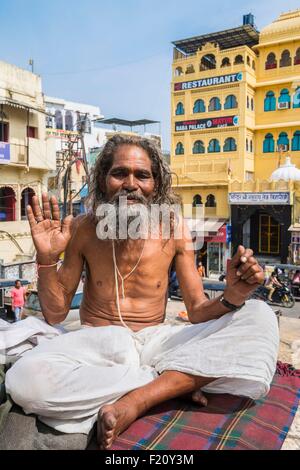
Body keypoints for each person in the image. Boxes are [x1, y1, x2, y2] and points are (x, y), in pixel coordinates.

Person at [5, 135, 279, 450]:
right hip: (96, 342)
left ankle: (137, 400)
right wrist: (47, 258)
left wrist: (232, 295)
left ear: (156, 183)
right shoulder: (83, 228)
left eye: (142, 175)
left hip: (156, 341)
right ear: (103, 179)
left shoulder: (173, 229)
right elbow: (55, 313)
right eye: (120, 173)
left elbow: (197, 310)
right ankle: (168, 382)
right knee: (24, 380)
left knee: (259, 315)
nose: (130, 184)